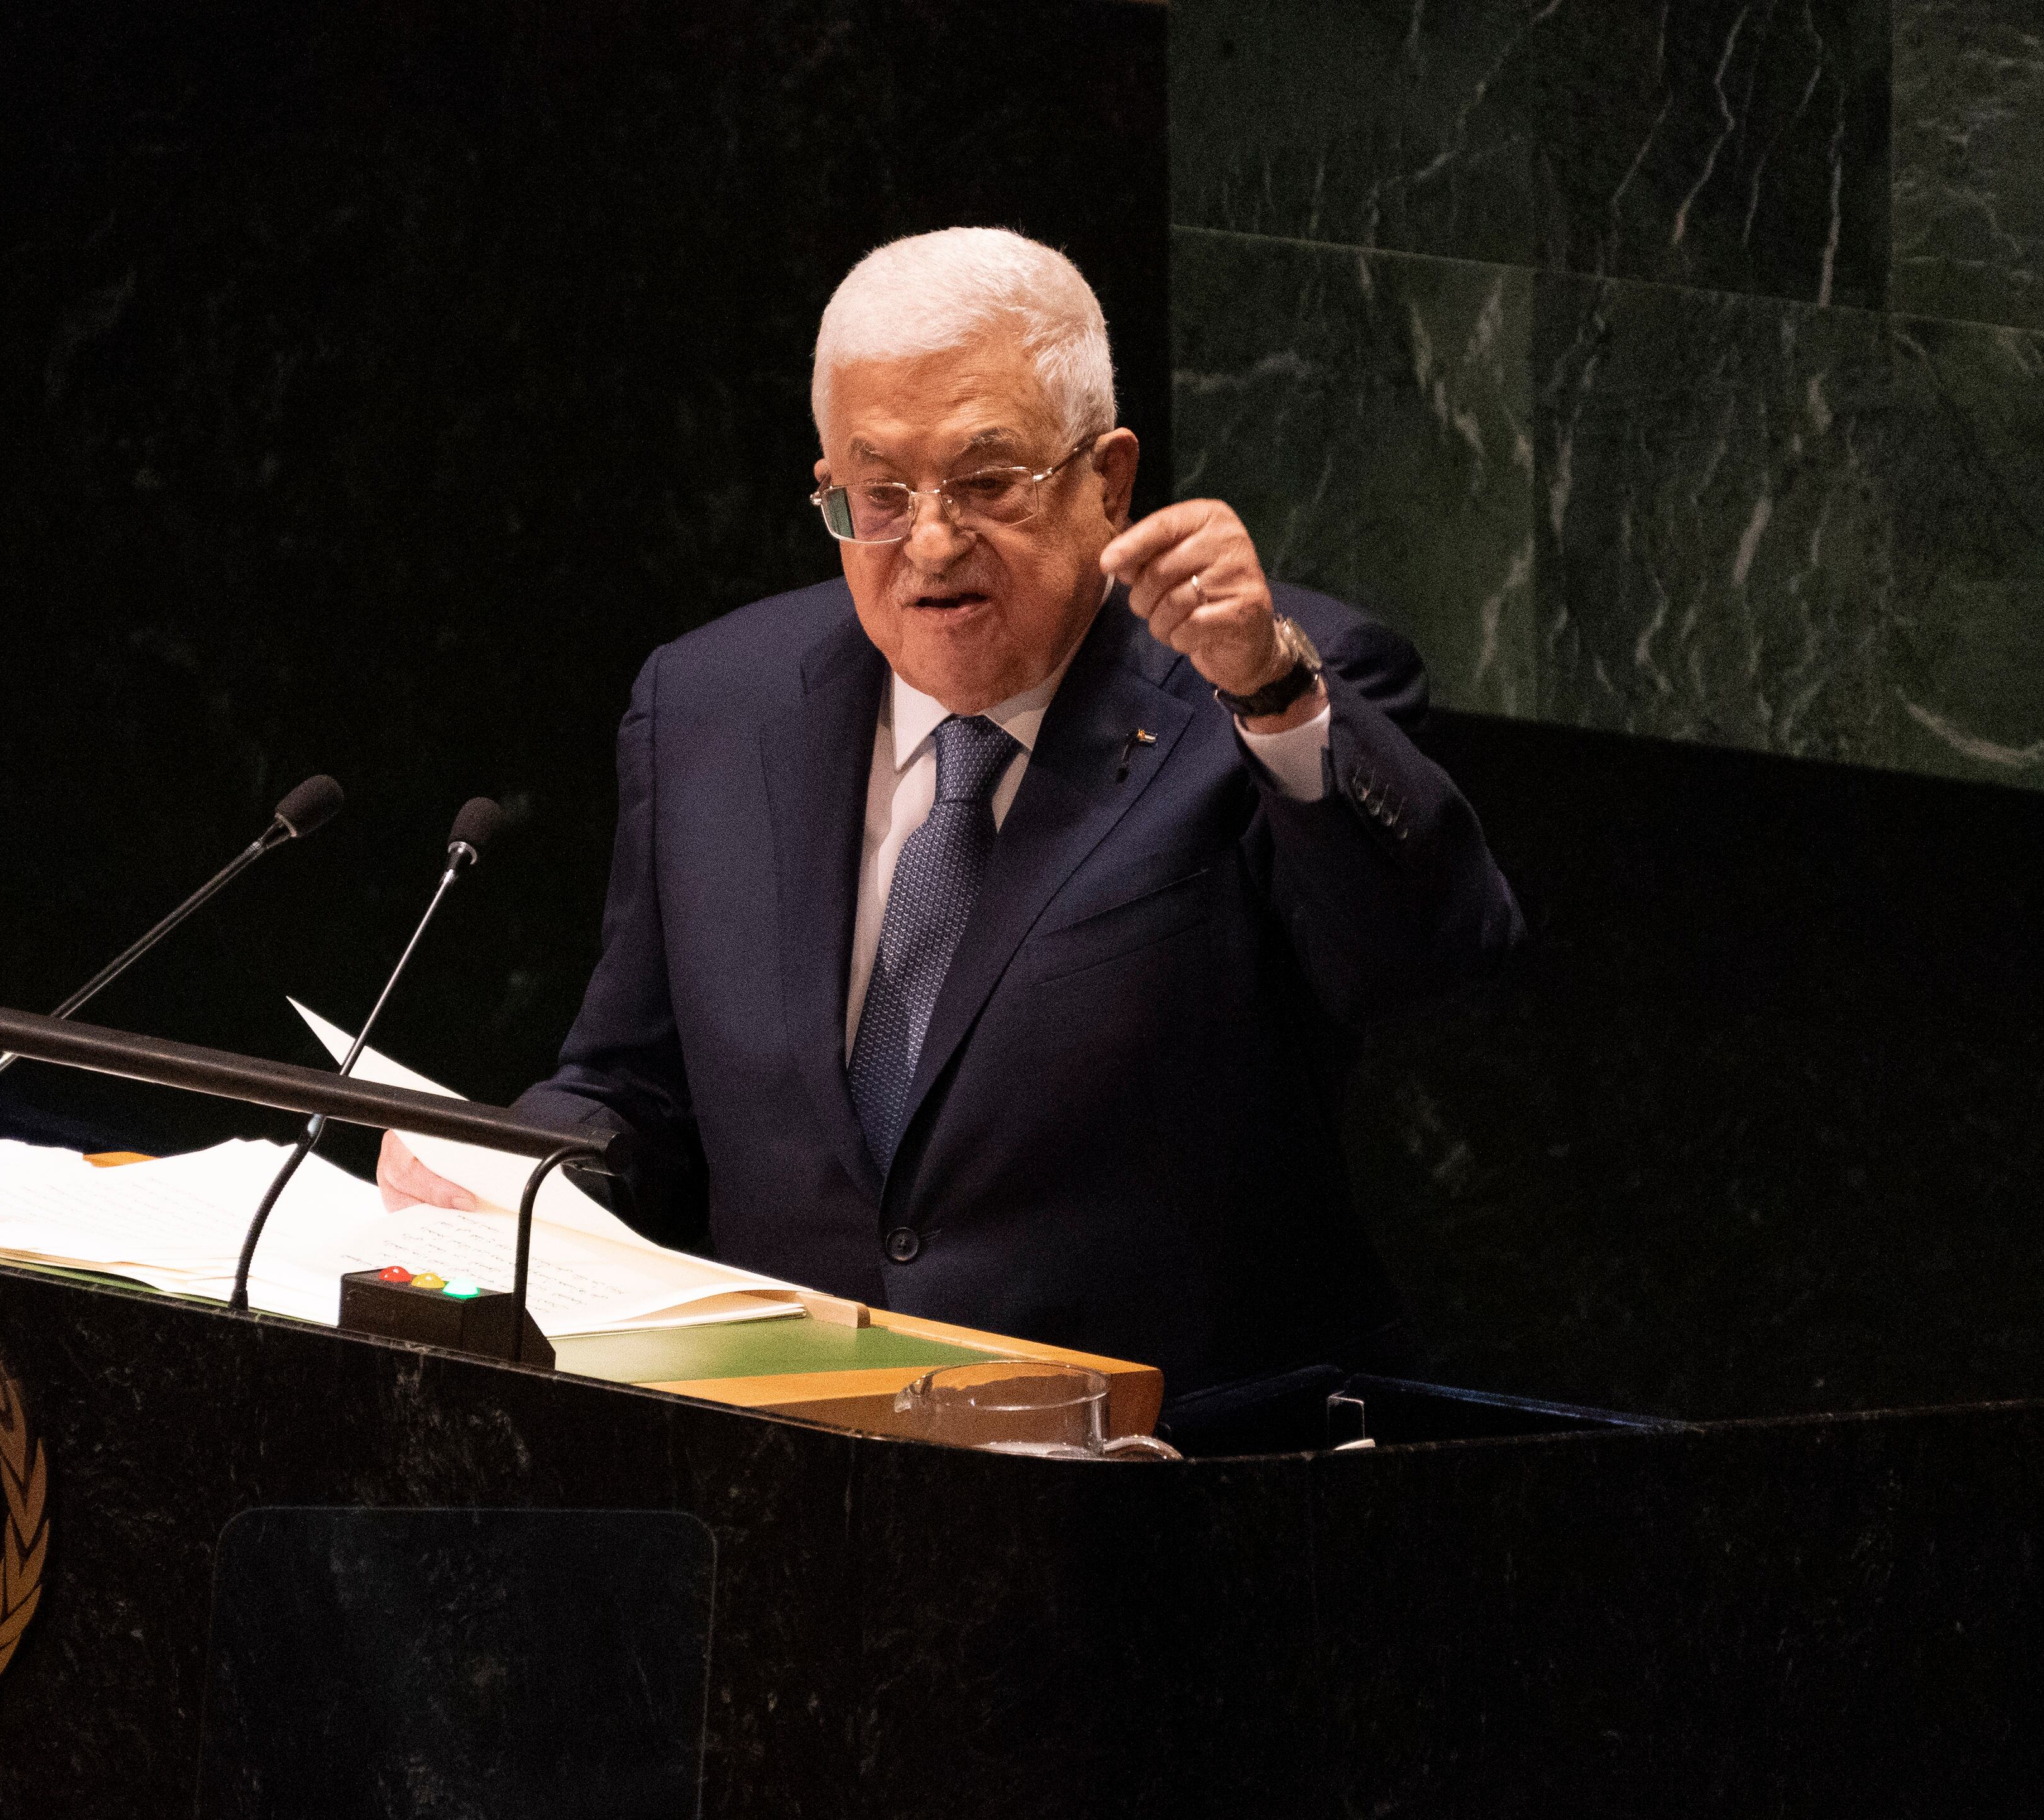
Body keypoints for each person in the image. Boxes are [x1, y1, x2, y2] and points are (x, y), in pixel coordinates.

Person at [380, 227, 1523, 1442]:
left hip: (1168, 1481)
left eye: (986, 484)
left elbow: (1425, 968)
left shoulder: (1267, 679)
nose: (928, 545)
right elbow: (635, 1084)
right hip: (786, 1464)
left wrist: (1276, 702)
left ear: (1109, 479)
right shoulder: (712, 701)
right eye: (878, 496)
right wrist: (505, 1174)